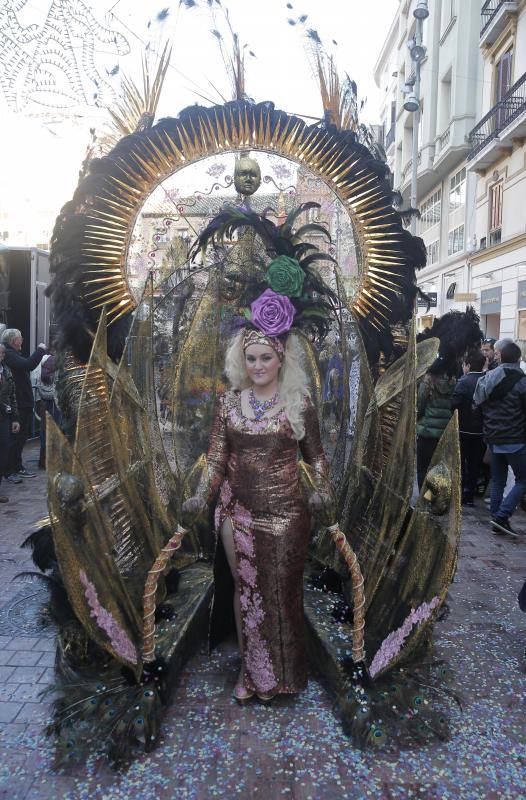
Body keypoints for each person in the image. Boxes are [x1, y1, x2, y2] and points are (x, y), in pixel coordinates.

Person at [183, 328, 327, 704]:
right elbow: (216, 458)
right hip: (237, 512)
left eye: (266, 357)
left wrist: (322, 492)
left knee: (280, 593)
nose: (258, 365)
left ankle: (286, 675)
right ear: (240, 361)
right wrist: (201, 494)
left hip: (287, 515)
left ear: (281, 359)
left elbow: (317, 458)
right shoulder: (229, 403)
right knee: (246, 591)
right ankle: (253, 671)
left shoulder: (299, 402)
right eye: (251, 358)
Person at [473, 340, 526, 537]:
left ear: (500, 356)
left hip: (493, 438)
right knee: (523, 479)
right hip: (514, 440)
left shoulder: (487, 379)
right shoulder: (522, 382)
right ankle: (502, 516)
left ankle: (496, 518)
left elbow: (477, 404)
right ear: (518, 359)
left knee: (498, 480)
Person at [1, 329, 47, 482]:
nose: (22, 340)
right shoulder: (9, 354)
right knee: (15, 439)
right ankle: (11, 470)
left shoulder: (12, 354)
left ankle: (17, 467)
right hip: (17, 405)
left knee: (19, 439)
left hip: (21, 403)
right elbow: (29, 364)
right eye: (20, 338)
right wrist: (40, 349)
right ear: (13, 340)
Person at [451, 349, 486, 506]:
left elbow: (454, 404)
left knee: (461, 462)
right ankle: (470, 495)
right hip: (481, 431)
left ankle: (461, 493)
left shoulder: (463, 382)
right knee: (474, 464)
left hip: (463, 428)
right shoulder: (487, 380)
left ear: (468, 365)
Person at [416, 357, 456, 490]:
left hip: (427, 431)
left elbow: (420, 405)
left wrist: (418, 418)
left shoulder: (427, 381)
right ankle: (433, 498)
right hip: (444, 431)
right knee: (438, 467)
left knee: (423, 467)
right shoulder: (452, 382)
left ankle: (422, 498)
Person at [0, 343, 20, 503]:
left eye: (2, 354)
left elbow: (12, 396)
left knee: (4, 454)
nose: (1, 356)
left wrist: (15, 418)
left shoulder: (6, 370)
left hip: (4, 419)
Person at [34, 352, 60, 469]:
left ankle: (45, 462)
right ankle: (50, 462)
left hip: (44, 401)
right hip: (52, 402)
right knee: (52, 431)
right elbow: (49, 378)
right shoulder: (54, 360)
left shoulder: (45, 360)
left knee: (46, 431)